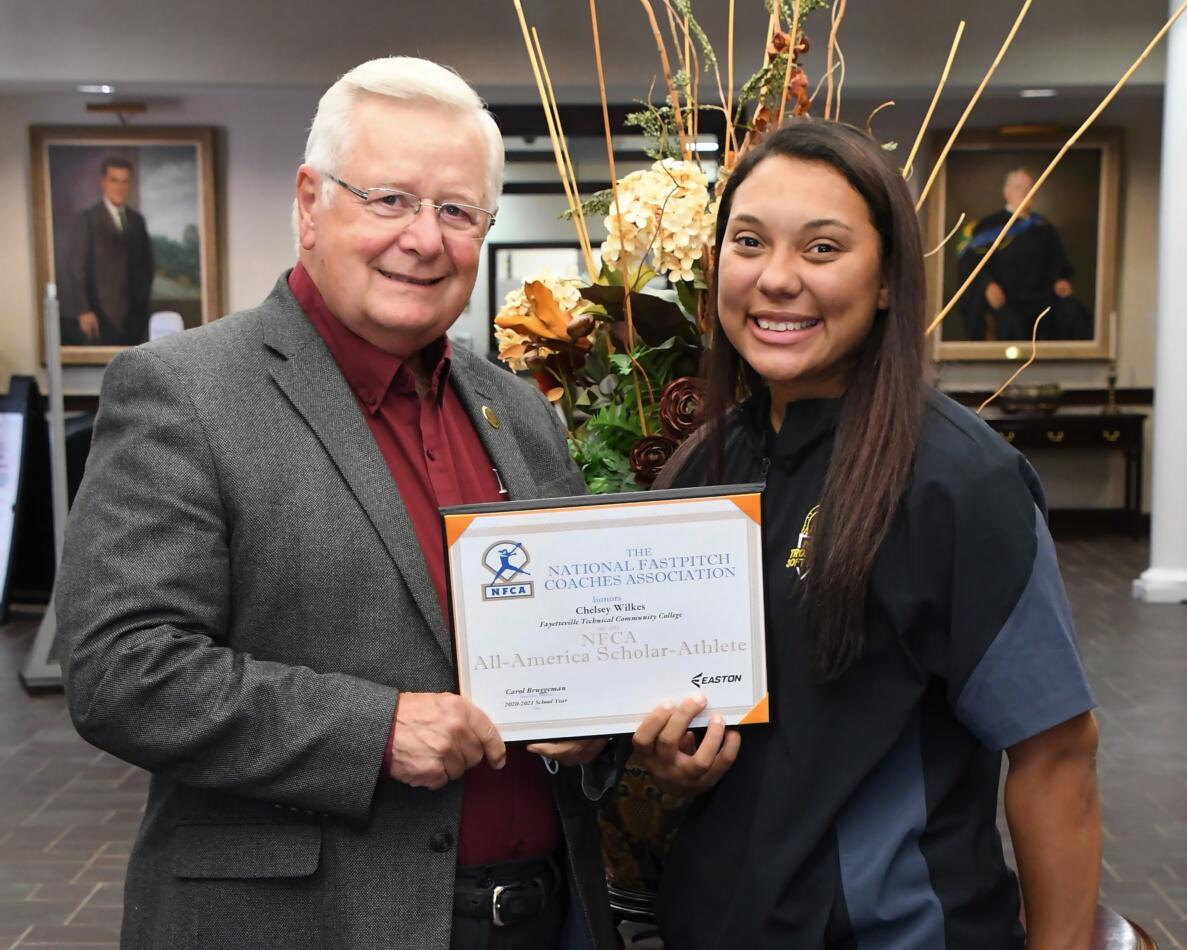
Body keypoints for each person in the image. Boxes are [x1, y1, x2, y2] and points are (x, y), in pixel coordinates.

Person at [57, 57, 618, 950]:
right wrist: (375, 731)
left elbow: (567, 640)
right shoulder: (184, 391)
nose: (424, 239)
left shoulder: (517, 411)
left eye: (456, 211)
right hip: (304, 923)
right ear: (310, 203)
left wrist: (596, 724)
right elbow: (121, 670)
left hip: (543, 918)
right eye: (389, 199)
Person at [636, 122, 1101, 949]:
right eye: (749, 242)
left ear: (886, 280)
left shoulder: (959, 482)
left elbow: (1056, 755)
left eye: (822, 248)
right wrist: (677, 761)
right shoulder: (703, 467)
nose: (777, 278)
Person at [955, 167, 1085, 341]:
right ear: (1007, 193)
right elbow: (971, 263)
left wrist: (1060, 279)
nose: (1024, 193)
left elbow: (1057, 261)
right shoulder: (988, 226)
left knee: (1073, 312)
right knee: (1009, 324)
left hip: (1042, 297)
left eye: (1029, 188)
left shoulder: (1043, 227)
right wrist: (987, 286)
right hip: (1006, 300)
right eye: (1018, 188)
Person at [60, 156, 155, 346]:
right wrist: (84, 310)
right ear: (103, 182)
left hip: (135, 318)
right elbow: (76, 269)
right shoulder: (87, 219)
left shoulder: (137, 220)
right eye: (114, 180)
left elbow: (148, 266)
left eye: (124, 181)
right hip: (99, 316)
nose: (119, 187)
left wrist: (142, 304)